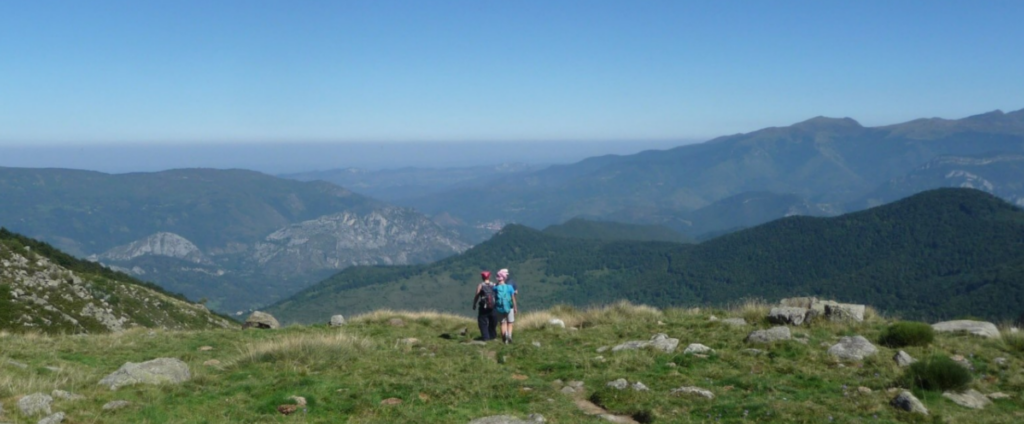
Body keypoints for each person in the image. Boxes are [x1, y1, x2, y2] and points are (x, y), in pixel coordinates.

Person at [472, 270, 497, 341]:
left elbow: (477, 295)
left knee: (482, 321)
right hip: (493, 306)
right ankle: (492, 336)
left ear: (482, 277)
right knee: (493, 321)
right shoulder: (494, 284)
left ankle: (486, 337)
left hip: (483, 307)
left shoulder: (480, 285)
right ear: (489, 276)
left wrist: (474, 304)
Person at [494, 269, 518, 344]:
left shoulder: (495, 288)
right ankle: (509, 335)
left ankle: (505, 340)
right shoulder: (510, 287)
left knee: (502, 323)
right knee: (510, 322)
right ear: (505, 278)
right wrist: (515, 308)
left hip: (499, 308)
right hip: (509, 307)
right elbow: (513, 298)